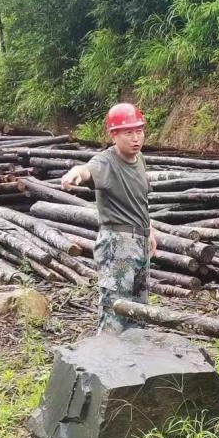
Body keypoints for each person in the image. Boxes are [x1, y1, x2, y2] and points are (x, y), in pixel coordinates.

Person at [60, 103, 155, 333]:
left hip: (140, 242)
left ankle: (133, 356)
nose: (136, 138)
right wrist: (75, 173)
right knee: (115, 312)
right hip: (117, 244)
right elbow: (86, 169)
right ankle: (105, 355)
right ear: (114, 135)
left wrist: (149, 230)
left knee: (138, 313)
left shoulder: (140, 159)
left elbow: (141, 199)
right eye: (128, 132)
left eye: (139, 131)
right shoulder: (106, 161)